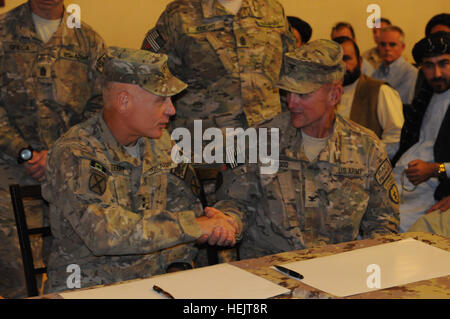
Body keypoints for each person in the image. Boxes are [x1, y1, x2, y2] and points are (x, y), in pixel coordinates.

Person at [42, 47, 241, 293]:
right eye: (161, 100)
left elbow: (185, 209)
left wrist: (179, 264)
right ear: (124, 100)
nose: (172, 109)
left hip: (153, 283)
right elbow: (103, 233)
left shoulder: (161, 143)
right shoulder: (75, 152)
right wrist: (193, 226)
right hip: (91, 287)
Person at [216, 39, 400, 260]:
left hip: (336, 272)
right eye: (288, 92)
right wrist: (228, 222)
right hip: (269, 274)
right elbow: (235, 203)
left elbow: (383, 224)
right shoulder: (259, 140)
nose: (291, 102)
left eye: (303, 95)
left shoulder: (367, 149)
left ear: (334, 95)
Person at [0, 0, 106, 298]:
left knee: (74, 275)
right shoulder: (4, 31)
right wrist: (24, 152)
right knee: (17, 276)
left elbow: (101, 105)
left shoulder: (87, 39)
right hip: (10, 173)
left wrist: (59, 153)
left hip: (70, 176)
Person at [141, 0, 295, 132]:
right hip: (204, 142)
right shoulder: (179, 15)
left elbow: (291, 75)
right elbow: (150, 78)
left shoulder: (272, 10)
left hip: (268, 139)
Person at [391, 32, 450, 232]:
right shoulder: (424, 98)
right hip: (401, 185)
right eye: (429, 66)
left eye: (444, 63)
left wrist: (435, 169)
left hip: (434, 194)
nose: (437, 73)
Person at [334, 36, 404, 159]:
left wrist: (366, 157)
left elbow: (395, 138)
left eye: (346, 59)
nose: (341, 65)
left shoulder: (380, 91)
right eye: (335, 60)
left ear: (360, 62)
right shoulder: (322, 92)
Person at [372, 26, 418, 105]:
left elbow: (398, 103)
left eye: (392, 44)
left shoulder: (410, 73)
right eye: (383, 44)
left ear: (402, 47)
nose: (387, 48)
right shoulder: (377, 71)